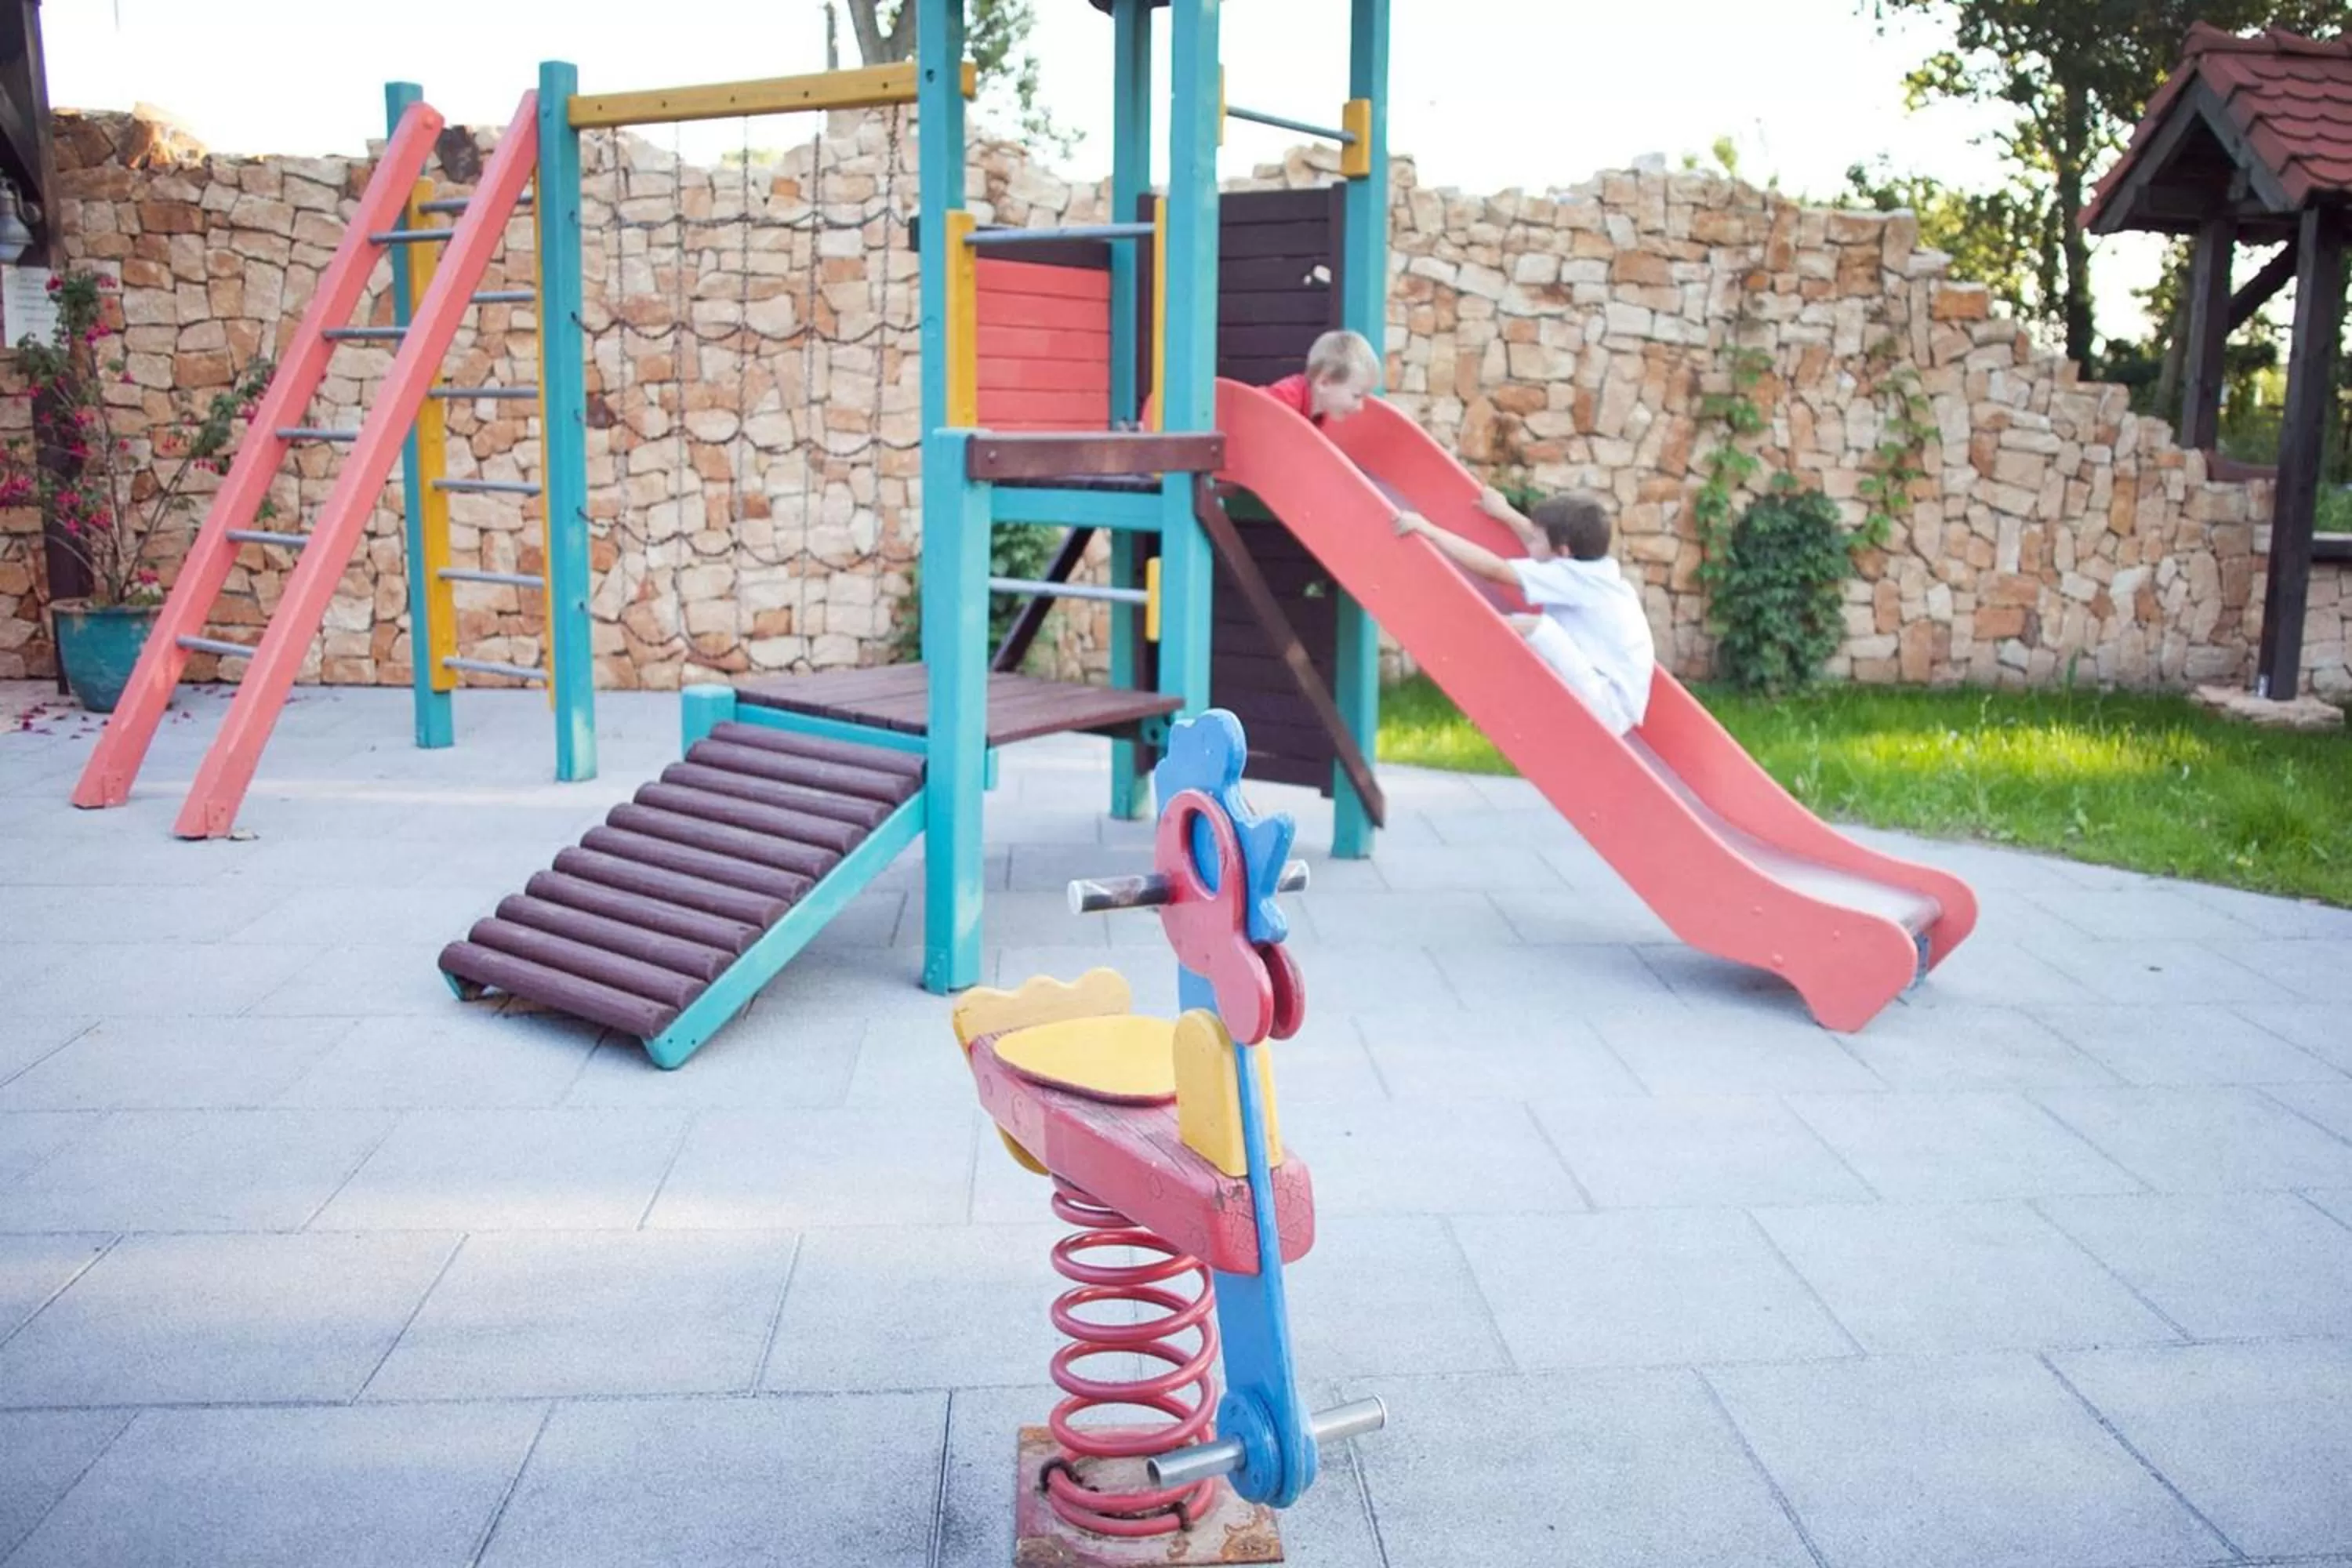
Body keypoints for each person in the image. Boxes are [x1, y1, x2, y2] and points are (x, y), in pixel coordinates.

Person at [1396, 490, 1655, 735]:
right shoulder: (1593, 571)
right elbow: (1545, 543)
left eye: (1537, 538)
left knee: (1538, 627)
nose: (1531, 540)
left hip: (1605, 708)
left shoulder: (1573, 577)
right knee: (1537, 625)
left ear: (1563, 552)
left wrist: (1430, 531)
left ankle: (1465, 636)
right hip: (1610, 699)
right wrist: (1505, 513)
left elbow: (1495, 570)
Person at [1261, 328, 1383, 427]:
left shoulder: (1319, 412)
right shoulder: (1284, 399)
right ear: (1324, 383)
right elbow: (1252, 407)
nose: (1359, 408)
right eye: (1356, 396)